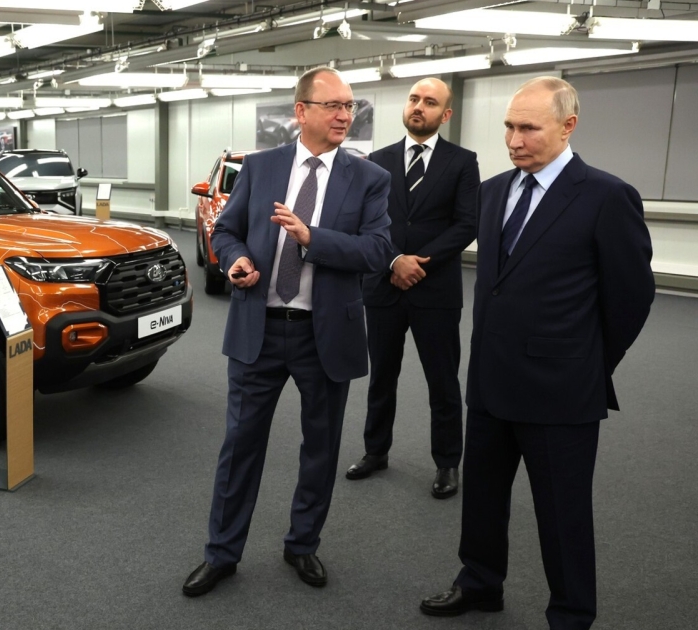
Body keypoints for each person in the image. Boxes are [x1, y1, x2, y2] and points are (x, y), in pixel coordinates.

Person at [420, 77, 654, 629]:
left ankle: (570, 614)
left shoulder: (606, 196)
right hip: (491, 380)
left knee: (561, 512)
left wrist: (588, 363)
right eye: (508, 126)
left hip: (561, 390)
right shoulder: (494, 191)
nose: (514, 140)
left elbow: (631, 297)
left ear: (568, 126)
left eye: (528, 128)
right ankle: (480, 582)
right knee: (482, 498)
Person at [182, 67, 392, 596]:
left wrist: (311, 238)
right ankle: (221, 553)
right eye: (333, 105)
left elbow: (377, 251)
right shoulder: (261, 167)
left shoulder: (369, 178)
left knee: (320, 446)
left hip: (325, 334)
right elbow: (227, 231)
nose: (344, 115)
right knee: (240, 445)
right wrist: (235, 261)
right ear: (302, 111)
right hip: (259, 327)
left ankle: (302, 544)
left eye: (349, 106)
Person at [345, 78, 479, 498]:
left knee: (443, 381)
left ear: (446, 114)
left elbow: (467, 224)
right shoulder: (377, 161)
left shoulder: (462, 162)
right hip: (383, 286)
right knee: (381, 377)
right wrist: (393, 261)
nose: (419, 106)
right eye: (414, 99)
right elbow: (365, 222)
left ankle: (447, 462)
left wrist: (418, 263)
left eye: (430, 102)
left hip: (434, 289)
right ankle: (375, 451)